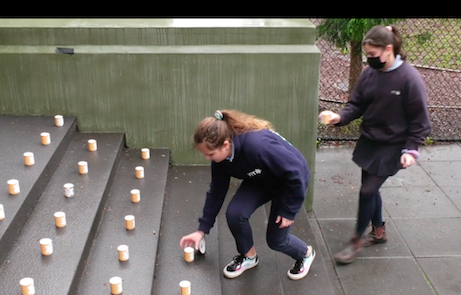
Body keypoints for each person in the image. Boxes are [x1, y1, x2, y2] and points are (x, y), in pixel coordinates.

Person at [319, 25, 431, 264]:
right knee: (371, 189)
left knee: (367, 190)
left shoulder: (409, 79)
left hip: (393, 145)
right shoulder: (370, 73)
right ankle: (378, 231)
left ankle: (356, 241)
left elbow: (420, 120)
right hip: (370, 140)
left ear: (388, 49)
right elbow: (357, 104)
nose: (369, 60)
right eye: (367, 56)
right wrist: (340, 117)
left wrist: (411, 149)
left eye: (372, 55)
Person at [179, 109, 315, 280]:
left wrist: (288, 210)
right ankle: (249, 257)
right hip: (261, 177)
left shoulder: (257, 146)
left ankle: (305, 254)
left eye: (210, 154)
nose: (208, 158)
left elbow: (295, 172)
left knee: (276, 241)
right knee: (235, 214)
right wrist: (202, 230)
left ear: (226, 145)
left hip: (289, 182)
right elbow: (216, 191)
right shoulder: (221, 160)